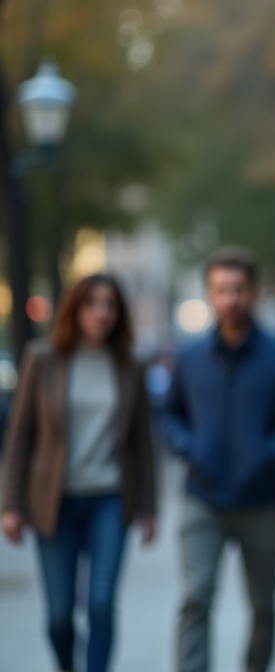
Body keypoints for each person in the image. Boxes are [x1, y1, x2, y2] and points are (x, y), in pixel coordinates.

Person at [156, 247, 275, 672]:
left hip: (263, 499)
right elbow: (169, 411)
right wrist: (186, 446)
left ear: (254, 292)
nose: (231, 298)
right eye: (221, 290)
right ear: (210, 294)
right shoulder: (189, 357)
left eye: (239, 289)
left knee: (263, 604)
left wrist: (271, 450)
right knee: (196, 595)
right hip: (201, 497)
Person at [1, 274, 158, 672]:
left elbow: (143, 443)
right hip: (55, 501)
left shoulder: (130, 365)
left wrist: (150, 508)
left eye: (110, 305)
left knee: (102, 603)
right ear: (75, 309)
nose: (101, 313)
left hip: (110, 498)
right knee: (59, 614)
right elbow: (20, 438)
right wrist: (11, 505)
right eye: (92, 304)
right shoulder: (43, 358)